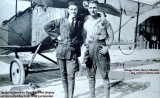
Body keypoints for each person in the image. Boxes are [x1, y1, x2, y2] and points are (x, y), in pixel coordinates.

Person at [44, 2, 84, 98]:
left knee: (71, 76)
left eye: (75, 9)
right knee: (63, 75)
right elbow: (46, 27)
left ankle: (70, 96)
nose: (73, 11)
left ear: (77, 11)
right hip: (61, 52)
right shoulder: (61, 21)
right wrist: (56, 36)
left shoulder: (80, 22)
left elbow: (82, 36)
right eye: (71, 9)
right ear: (68, 10)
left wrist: (78, 44)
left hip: (72, 52)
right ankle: (66, 95)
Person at [82, 0, 114, 98]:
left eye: (94, 7)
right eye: (91, 8)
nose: (92, 10)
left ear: (98, 8)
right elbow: (83, 35)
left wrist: (107, 47)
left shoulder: (104, 21)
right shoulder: (86, 21)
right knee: (91, 75)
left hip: (101, 48)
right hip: (90, 49)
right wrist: (85, 46)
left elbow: (111, 35)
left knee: (104, 75)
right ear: (88, 8)